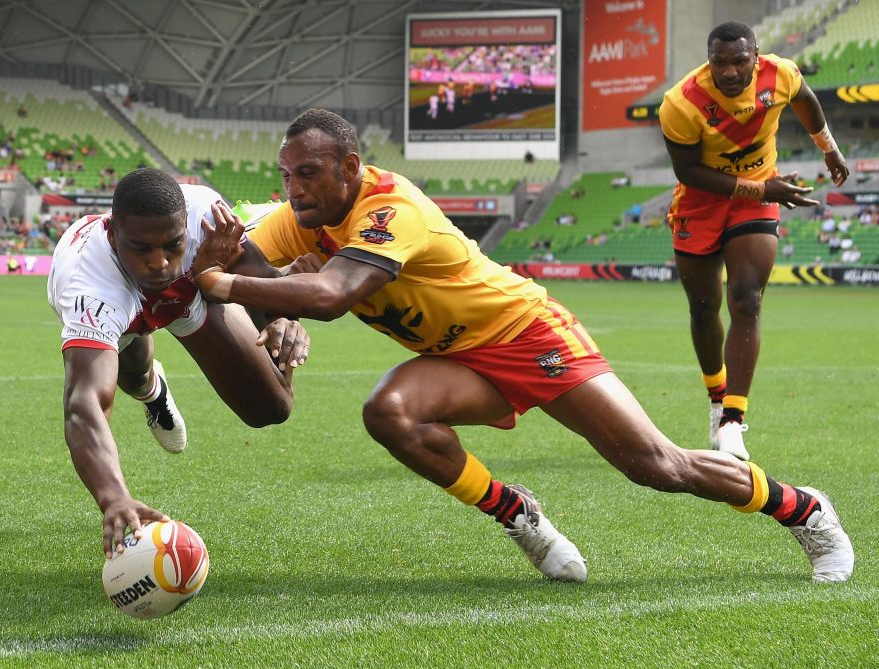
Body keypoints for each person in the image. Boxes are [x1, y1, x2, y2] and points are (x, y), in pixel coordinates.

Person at [191, 108, 853, 583]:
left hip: (524, 334)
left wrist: (224, 284)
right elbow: (256, 261)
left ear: (351, 167)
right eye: (286, 177)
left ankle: (803, 508)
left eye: (307, 173)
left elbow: (331, 295)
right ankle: (518, 514)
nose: (294, 190)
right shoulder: (301, 217)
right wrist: (264, 295)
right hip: (457, 359)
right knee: (389, 413)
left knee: (655, 465)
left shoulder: (392, 209)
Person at [47, 168, 310, 557]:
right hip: (118, 304)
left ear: (186, 226)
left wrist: (283, 321)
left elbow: (262, 280)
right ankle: (153, 391)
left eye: (172, 244)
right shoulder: (90, 290)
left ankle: (169, 323)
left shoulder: (205, 213)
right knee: (132, 372)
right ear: (115, 235)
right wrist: (114, 498)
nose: (160, 262)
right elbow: (84, 405)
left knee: (271, 408)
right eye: (142, 248)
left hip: (186, 294)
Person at [659, 21, 849, 459]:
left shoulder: (780, 74)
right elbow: (688, 172)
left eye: (739, 61)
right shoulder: (681, 103)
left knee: (747, 298)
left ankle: (732, 420)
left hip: (758, 196)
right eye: (718, 62)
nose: (728, 71)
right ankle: (715, 398)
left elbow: (805, 99)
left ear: (756, 57)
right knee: (704, 309)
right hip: (701, 203)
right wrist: (762, 189)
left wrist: (828, 146)